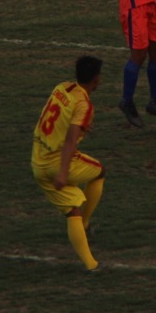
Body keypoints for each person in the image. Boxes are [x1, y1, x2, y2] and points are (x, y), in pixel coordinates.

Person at [31, 55, 106, 272]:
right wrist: (63, 174)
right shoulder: (84, 104)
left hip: (37, 160)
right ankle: (85, 225)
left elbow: (53, 117)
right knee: (99, 172)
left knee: (72, 209)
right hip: (57, 163)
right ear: (96, 80)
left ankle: (91, 265)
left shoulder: (61, 88)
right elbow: (71, 141)